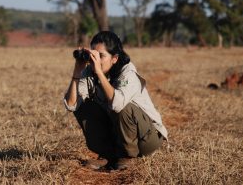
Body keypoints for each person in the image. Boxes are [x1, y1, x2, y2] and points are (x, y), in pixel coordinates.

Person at [63, 31, 168, 170]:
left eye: (102, 56)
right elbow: (71, 105)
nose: (96, 60)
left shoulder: (128, 73)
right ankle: (108, 155)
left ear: (115, 58)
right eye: (94, 54)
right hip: (118, 134)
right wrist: (77, 71)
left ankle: (127, 155)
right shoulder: (89, 72)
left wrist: (99, 73)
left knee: (123, 107)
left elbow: (117, 104)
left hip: (147, 138)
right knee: (83, 106)